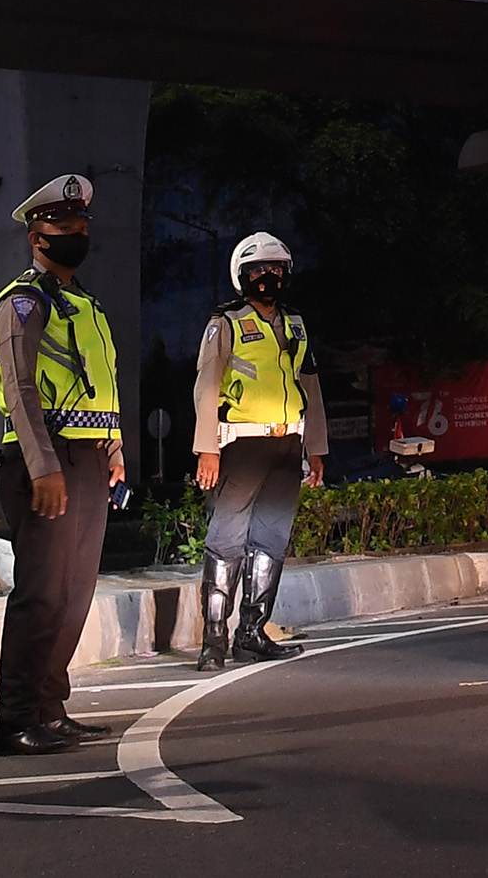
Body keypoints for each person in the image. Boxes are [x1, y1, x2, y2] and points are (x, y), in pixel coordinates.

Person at [0, 175, 125, 745]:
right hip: (44, 459)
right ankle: (16, 717)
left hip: (88, 459)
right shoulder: (22, 302)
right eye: (63, 226)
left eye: (81, 226)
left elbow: (102, 383)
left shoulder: (85, 304)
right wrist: (42, 465)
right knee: (42, 592)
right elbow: (19, 391)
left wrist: (115, 447)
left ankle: (49, 708)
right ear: (35, 236)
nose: (76, 234)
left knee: (74, 591)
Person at [186, 230, 323, 669]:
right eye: (259, 270)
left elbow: (311, 387)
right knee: (225, 541)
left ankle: (252, 633)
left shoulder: (296, 323)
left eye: (277, 269)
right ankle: (214, 641)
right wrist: (206, 448)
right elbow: (206, 386)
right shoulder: (224, 323)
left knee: (271, 542)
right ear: (241, 276)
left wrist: (315, 447)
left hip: (287, 443)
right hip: (240, 444)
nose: (269, 276)